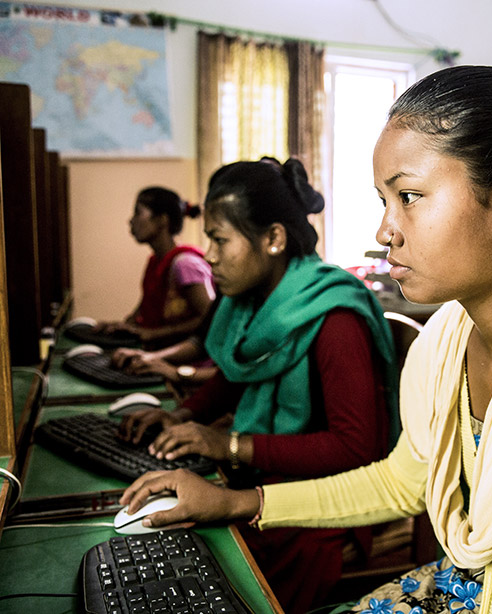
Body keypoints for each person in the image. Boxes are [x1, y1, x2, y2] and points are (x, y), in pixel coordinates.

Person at [120, 66, 492, 613]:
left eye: (408, 196)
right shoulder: (448, 339)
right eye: (384, 201)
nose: (385, 228)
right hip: (454, 591)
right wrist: (237, 503)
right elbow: (403, 480)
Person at [119, 158, 401, 614]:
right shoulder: (249, 303)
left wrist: (230, 446)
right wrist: (180, 415)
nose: (208, 254)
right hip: (264, 479)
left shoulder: (334, 318)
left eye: (219, 239)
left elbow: (356, 448)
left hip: (320, 505)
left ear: (272, 239)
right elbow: (234, 379)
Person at [96, 187, 216, 349]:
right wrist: (119, 327)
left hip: (186, 362)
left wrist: (155, 334)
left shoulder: (185, 264)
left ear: (162, 220)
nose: (131, 221)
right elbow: (141, 314)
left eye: (138, 213)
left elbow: (210, 318)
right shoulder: (155, 262)